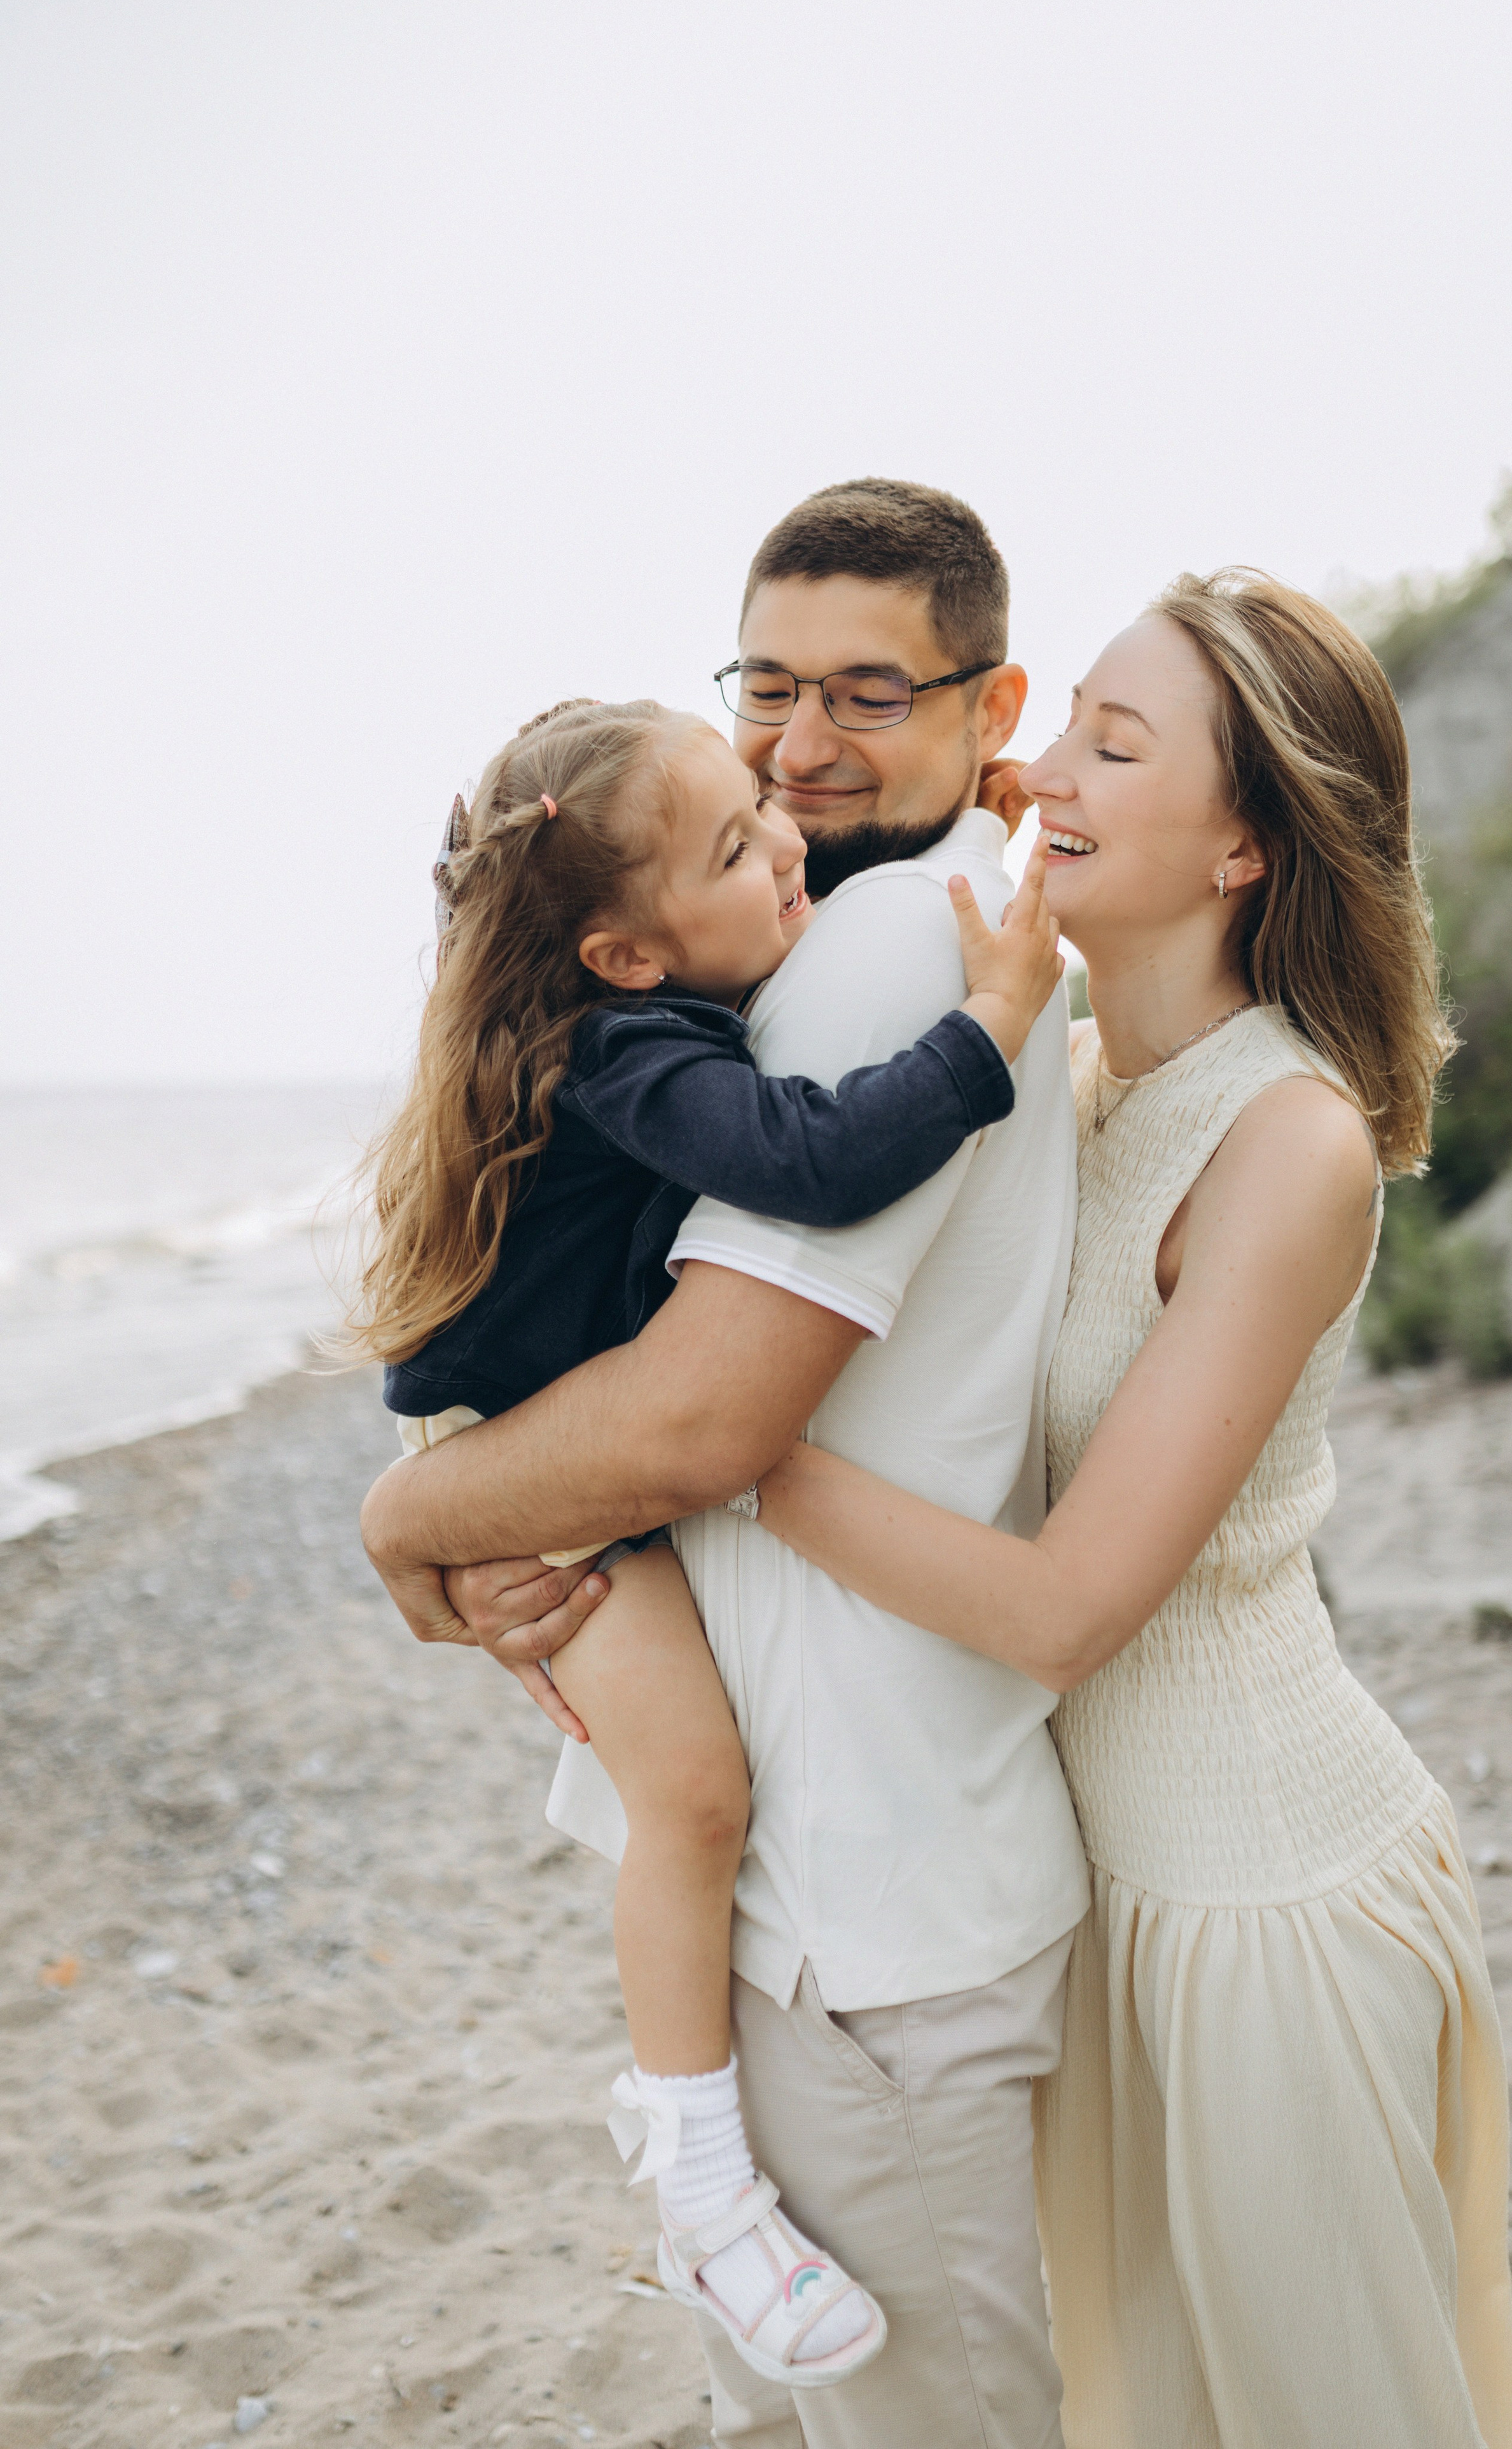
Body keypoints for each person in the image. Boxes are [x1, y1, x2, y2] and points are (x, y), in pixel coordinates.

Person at [745, 571, 1512, 2447]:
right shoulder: (1068, 1069)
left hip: (1262, 1889)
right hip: (1091, 1893)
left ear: (1245, 844)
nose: (1043, 774)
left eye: (1114, 747)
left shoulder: (1292, 1143)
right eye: (1058, 731)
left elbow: (1066, 1606)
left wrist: (726, 1457)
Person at [360, 478, 1089, 2449]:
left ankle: (686, 2150)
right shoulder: (793, 958)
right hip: (819, 1874)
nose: (796, 750)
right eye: (766, 688)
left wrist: (415, 1515)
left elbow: (699, 1421)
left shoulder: (881, 951)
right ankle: (689, 2148)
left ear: (989, 707)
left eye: (868, 692)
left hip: (856, 1886)